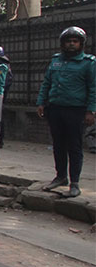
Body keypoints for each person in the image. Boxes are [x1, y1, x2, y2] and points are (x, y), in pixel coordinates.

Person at [37, 27, 96, 198]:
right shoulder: (56, 61)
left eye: (75, 41)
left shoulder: (88, 63)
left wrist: (91, 111)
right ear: (63, 43)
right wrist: (41, 102)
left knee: (74, 146)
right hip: (55, 109)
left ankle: (75, 182)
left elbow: (93, 88)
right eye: (68, 41)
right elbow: (46, 83)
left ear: (81, 44)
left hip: (76, 110)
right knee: (58, 145)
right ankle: (61, 176)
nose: (71, 44)